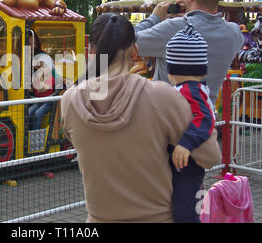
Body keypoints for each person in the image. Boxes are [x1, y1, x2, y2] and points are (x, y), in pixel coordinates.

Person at [61, 13, 221, 223]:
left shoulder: (70, 101)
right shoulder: (163, 97)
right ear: (135, 51)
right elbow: (210, 156)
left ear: (91, 52)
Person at [134, 0, 244, 104]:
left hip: (167, 120)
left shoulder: (174, 29)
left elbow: (126, 41)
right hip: (205, 118)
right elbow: (205, 28)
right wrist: (189, 17)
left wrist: (155, 18)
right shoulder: (234, 32)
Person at [166, 22, 216, 223]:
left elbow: (204, 118)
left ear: (173, 71)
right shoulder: (193, 89)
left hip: (189, 164)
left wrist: (186, 143)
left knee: (184, 212)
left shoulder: (190, 90)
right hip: (185, 164)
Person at [27, 29, 55, 130]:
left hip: (49, 99)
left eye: (33, 44)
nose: (31, 47)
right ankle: (28, 136)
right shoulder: (27, 57)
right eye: (29, 44)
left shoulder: (42, 57)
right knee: (29, 112)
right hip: (38, 98)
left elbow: (45, 87)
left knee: (37, 114)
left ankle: (37, 138)